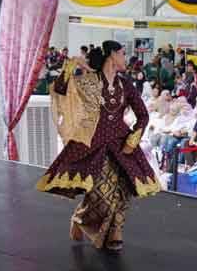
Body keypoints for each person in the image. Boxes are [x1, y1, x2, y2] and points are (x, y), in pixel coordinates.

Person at [37, 41, 160, 252]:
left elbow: (143, 115)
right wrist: (72, 64)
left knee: (122, 190)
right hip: (93, 143)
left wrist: (133, 140)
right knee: (101, 195)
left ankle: (115, 231)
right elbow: (60, 89)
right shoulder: (88, 82)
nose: (125, 58)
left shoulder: (125, 85)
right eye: (122, 53)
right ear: (112, 55)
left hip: (121, 143)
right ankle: (80, 218)